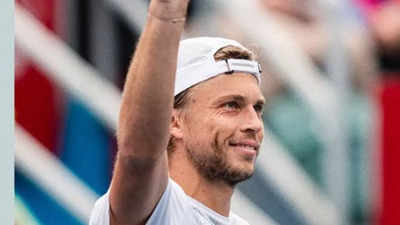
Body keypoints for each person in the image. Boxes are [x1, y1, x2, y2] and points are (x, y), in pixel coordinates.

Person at [89, 0, 265, 224]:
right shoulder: (160, 210)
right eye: (231, 105)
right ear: (173, 122)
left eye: (257, 108)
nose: (254, 124)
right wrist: (166, 13)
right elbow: (137, 154)